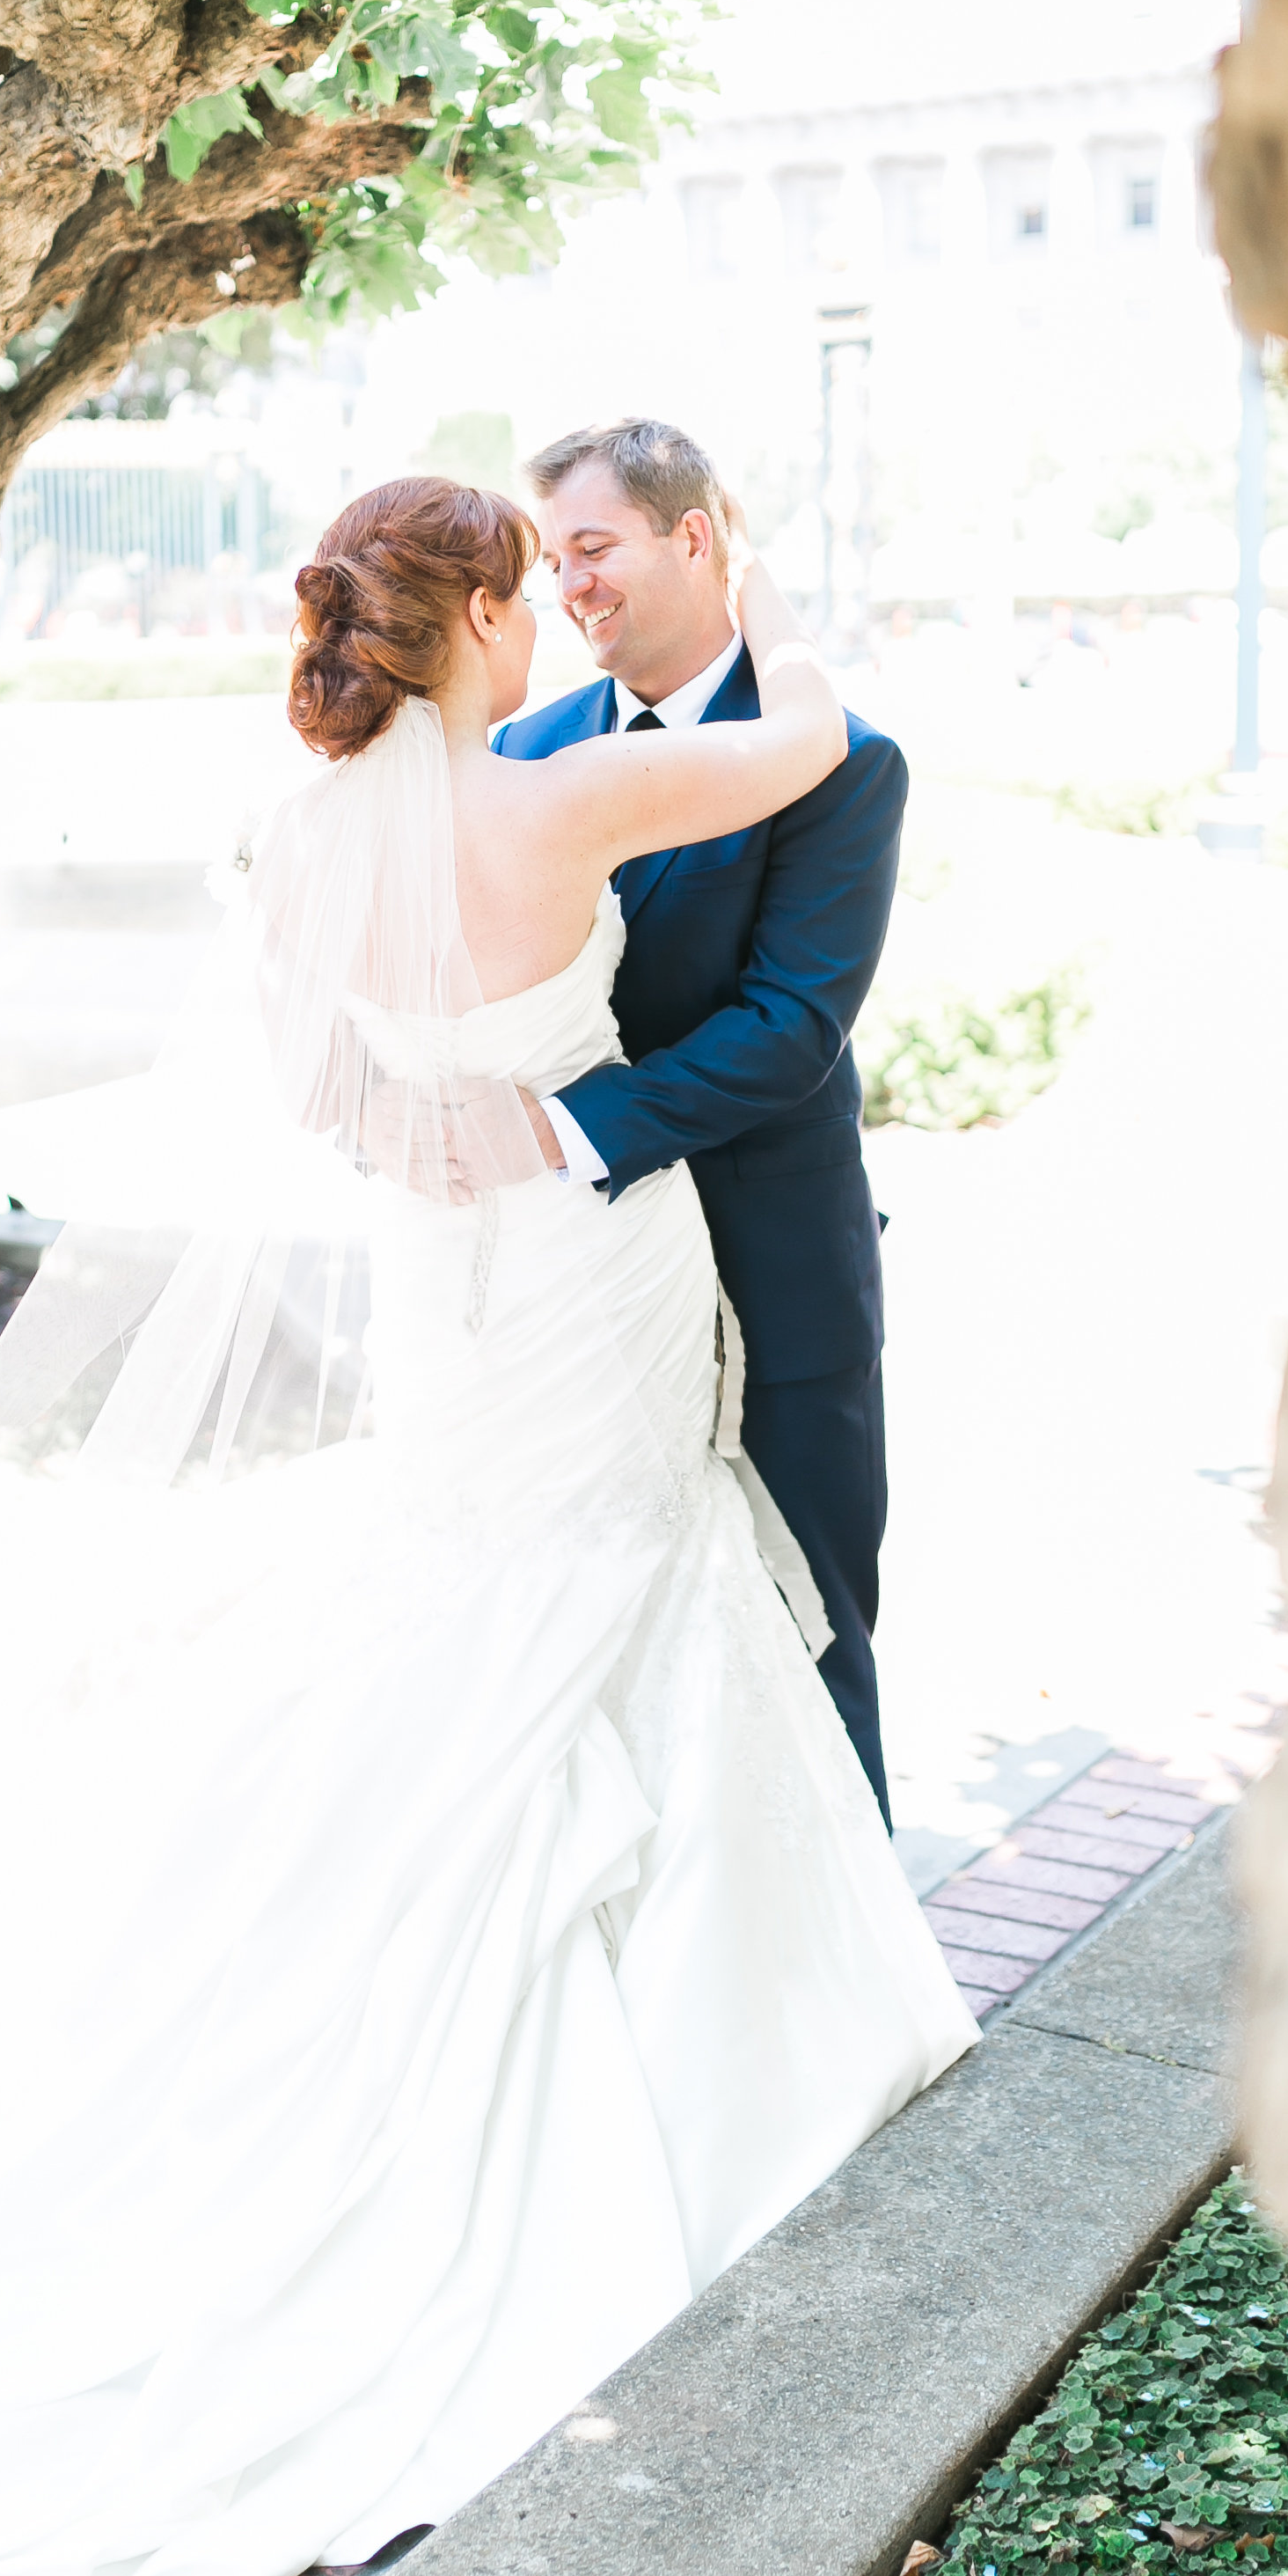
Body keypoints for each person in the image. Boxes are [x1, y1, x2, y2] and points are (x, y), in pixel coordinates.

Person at [0, 476, 975, 2576]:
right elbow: (809, 741)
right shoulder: (551, 807)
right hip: (578, 1267)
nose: (557, 617)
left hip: (452, 1288)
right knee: (625, 1587)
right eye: (529, 587)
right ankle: (726, 2049)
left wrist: (421, 1130)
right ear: (474, 611)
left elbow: (321, 1090)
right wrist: (796, 631)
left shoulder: (310, 827)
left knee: (483, 1602)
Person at [500, 420, 906, 1819]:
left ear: (695, 538)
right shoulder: (522, 753)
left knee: (810, 1627)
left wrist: (562, 1125)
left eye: (595, 548)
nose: (572, 587)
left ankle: (870, 1982)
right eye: (554, 560)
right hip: (592, 1299)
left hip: (775, 1286)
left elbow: (794, 1025)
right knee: (616, 1635)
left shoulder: (842, 763)